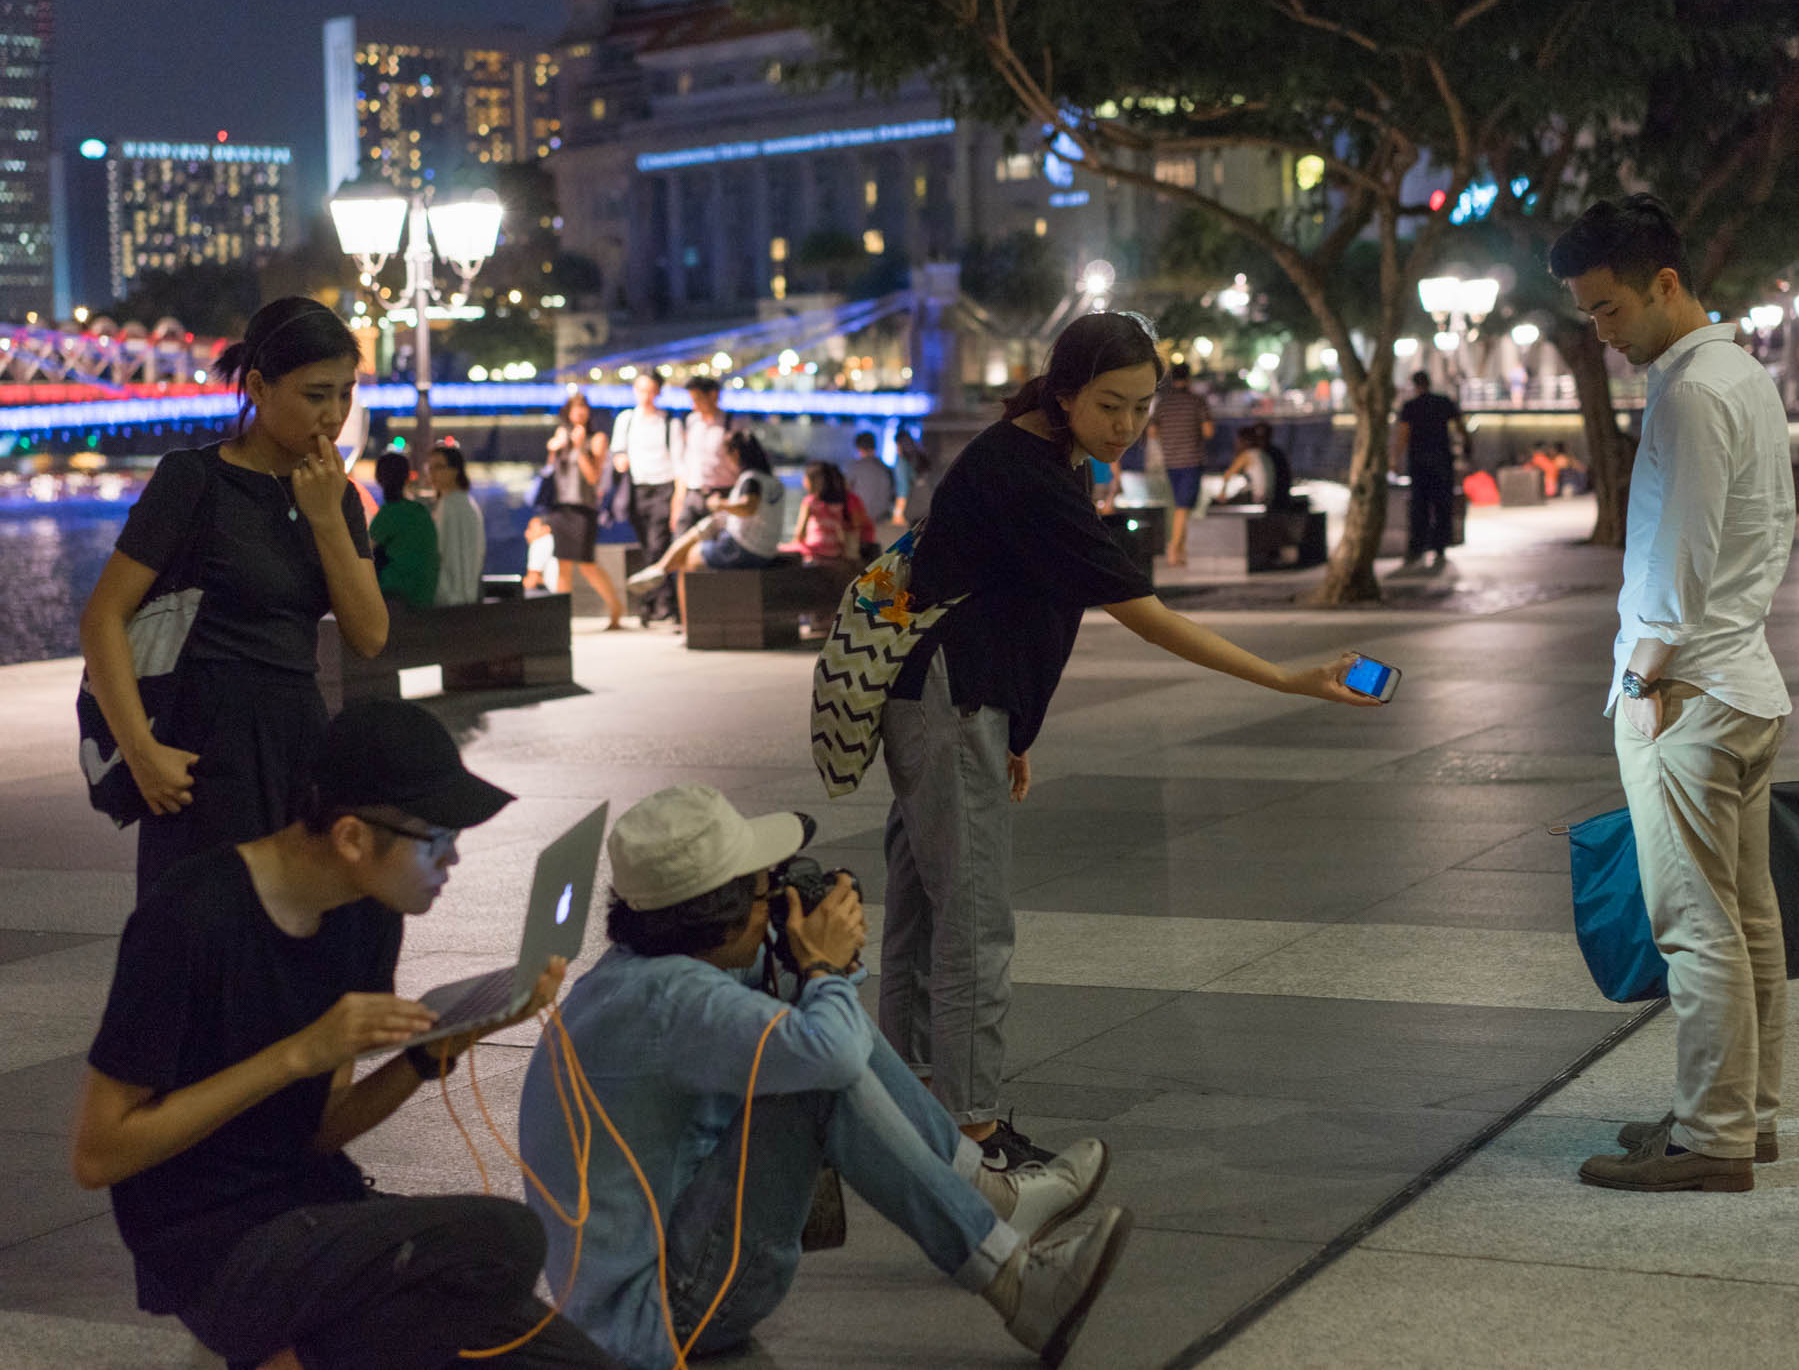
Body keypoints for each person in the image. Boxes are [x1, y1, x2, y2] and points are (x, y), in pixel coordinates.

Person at [883, 312, 1384, 1167]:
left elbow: (1008, 601)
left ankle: (902, 1108)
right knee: (969, 922)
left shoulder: (1042, 456)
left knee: (928, 910)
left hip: (949, 698)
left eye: (1142, 407)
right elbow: (1149, 619)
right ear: (1064, 393)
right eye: (1110, 405)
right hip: (951, 699)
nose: (1127, 426)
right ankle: (968, 1130)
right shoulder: (1030, 474)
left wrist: (1014, 725)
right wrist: (1286, 679)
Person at [71, 700, 614, 1369]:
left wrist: (434, 1052)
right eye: (435, 841)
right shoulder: (192, 917)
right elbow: (99, 1155)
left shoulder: (367, 914)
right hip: (209, 1247)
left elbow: (321, 1130)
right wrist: (297, 1054)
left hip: (319, 1217)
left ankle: (299, 1353)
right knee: (501, 1234)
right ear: (353, 837)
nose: (452, 863)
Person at [516, 785, 1131, 1370]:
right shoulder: (672, 1002)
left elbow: (804, 1026)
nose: (776, 902)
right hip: (671, 1310)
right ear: (718, 915)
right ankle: (1019, 1285)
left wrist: (811, 965)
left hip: (668, 1271)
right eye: (766, 895)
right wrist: (824, 969)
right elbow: (830, 1055)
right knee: (819, 1073)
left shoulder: (641, 974)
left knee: (820, 1025)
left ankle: (990, 1200)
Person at [1551, 193, 1794, 1194]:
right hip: (1744, 679)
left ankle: (1714, 1136)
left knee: (1697, 923)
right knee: (1746, 918)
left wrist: (1642, 676)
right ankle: (1745, 1114)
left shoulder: (1690, 390)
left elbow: (1680, 550)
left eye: (1608, 310)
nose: (1601, 334)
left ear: (1663, 284)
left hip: (1688, 690)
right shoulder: (1740, 372)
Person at [79, 296, 388, 900]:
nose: (333, 414)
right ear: (258, 387)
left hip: (299, 743)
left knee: (294, 942)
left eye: (345, 393)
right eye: (315, 394)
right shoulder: (194, 480)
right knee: (204, 943)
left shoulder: (335, 495)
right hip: (205, 751)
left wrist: (327, 519)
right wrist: (140, 752)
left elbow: (370, 635)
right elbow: (102, 619)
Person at [625, 433, 787, 597]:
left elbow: (748, 506)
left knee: (689, 559)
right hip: (766, 550)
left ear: (736, 454)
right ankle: (660, 567)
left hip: (742, 550)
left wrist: (719, 504)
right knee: (709, 526)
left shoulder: (751, 480)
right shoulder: (773, 482)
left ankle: (685, 608)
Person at [609, 372, 684, 624]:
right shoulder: (627, 420)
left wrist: (677, 500)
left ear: (658, 392)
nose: (646, 396)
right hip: (637, 490)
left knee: (657, 545)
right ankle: (657, 602)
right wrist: (620, 461)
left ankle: (659, 603)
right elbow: (618, 452)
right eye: (641, 390)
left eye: (650, 390)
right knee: (648, 546)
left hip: (663, 487)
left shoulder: (669, 423)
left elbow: (679, 464)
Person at [545, 393, 624, 629]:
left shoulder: (596, 439)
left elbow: (594, 478)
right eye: (575, 408)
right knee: (563, 566)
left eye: (583, 408)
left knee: (588, 565)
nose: (579, 412)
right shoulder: (561, 438)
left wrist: (579, 448)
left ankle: (615, 608)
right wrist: (554, 448)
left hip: (583, 509)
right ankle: (561, 620)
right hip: (560, 508)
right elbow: (549, 473)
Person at [1391, 370, 1468, 569]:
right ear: (1429, 382)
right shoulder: (1443, 402)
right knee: (1443, 505)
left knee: (1420, 507)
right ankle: (1439, 548)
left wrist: (1395, 459)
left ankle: (1417, 548)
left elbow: (1403, 435)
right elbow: (1460, 426)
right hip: (1442, 461)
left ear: (1414, 385)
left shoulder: (1410, 407)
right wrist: (1468, 443)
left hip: (1419, 463)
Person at [1145, 361, 1213, 565]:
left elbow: (1152, 431)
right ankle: (1174, 548)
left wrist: (1170, 437)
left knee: (1179, 505)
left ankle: (1180, 548)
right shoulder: (1197, 401)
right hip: (1191, 459)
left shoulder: (1164, 403)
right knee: (1184, 506)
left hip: (1170, 460)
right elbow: (1209, 431)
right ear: (1189, 378)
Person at [368, 450, 439, 608]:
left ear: (378, 479)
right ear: (408, 478)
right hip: (424, 597)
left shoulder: (389, 514)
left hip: (398, 598)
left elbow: (362, 554)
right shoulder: (420, 511)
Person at [675, 375, 742, 532]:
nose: (694, 406)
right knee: (680, 540)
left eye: (697, 400)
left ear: (713, 395)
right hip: (693, 493)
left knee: (716, 545)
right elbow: (687, 460)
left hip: (722, 494)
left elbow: (742, 464)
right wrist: (679, 498)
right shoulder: (692, 421)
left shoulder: (732, 424)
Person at [428, 443, 487, 607]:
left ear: (455, 470)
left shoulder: (449, 505)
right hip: (468, 595)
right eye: (430, 467)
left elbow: (441, 552)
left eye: (439, 467)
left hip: (449, 598)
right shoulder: (468, 504)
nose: (432, 473)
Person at [785, 460, 876, 563]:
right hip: (836, 551)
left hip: (818, 551)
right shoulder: (840, 503)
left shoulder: (811, 501)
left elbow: (799, 534)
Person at [843, 429, 900, 528]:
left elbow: (845, 492)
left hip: (860, 520)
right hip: (883, 520)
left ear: (859, 448)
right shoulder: (886, 468)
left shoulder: (854, 467)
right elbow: (894, 494)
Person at [1213, 424, 1275, 506]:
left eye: (1237, 440)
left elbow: (1227, 475)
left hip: (1257, 497)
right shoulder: (1262, 453)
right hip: (1268, 497)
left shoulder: (1247, 455)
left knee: (1215, 502)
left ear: (1242, 441)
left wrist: (1222, 493)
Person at [1250, 418, 1296, 510]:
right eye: (1258, 436)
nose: (1260, 440)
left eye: (1263, 436)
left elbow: (1283, 480)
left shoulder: (1274, 455)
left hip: (1275, 504)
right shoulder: (1257, 454)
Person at [892, 424, 934, 524]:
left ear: (899, 445)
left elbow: (903, 489)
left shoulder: (902, 462)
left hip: (913, 508)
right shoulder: (920, 457)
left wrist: (897, 514)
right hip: (927, 505)